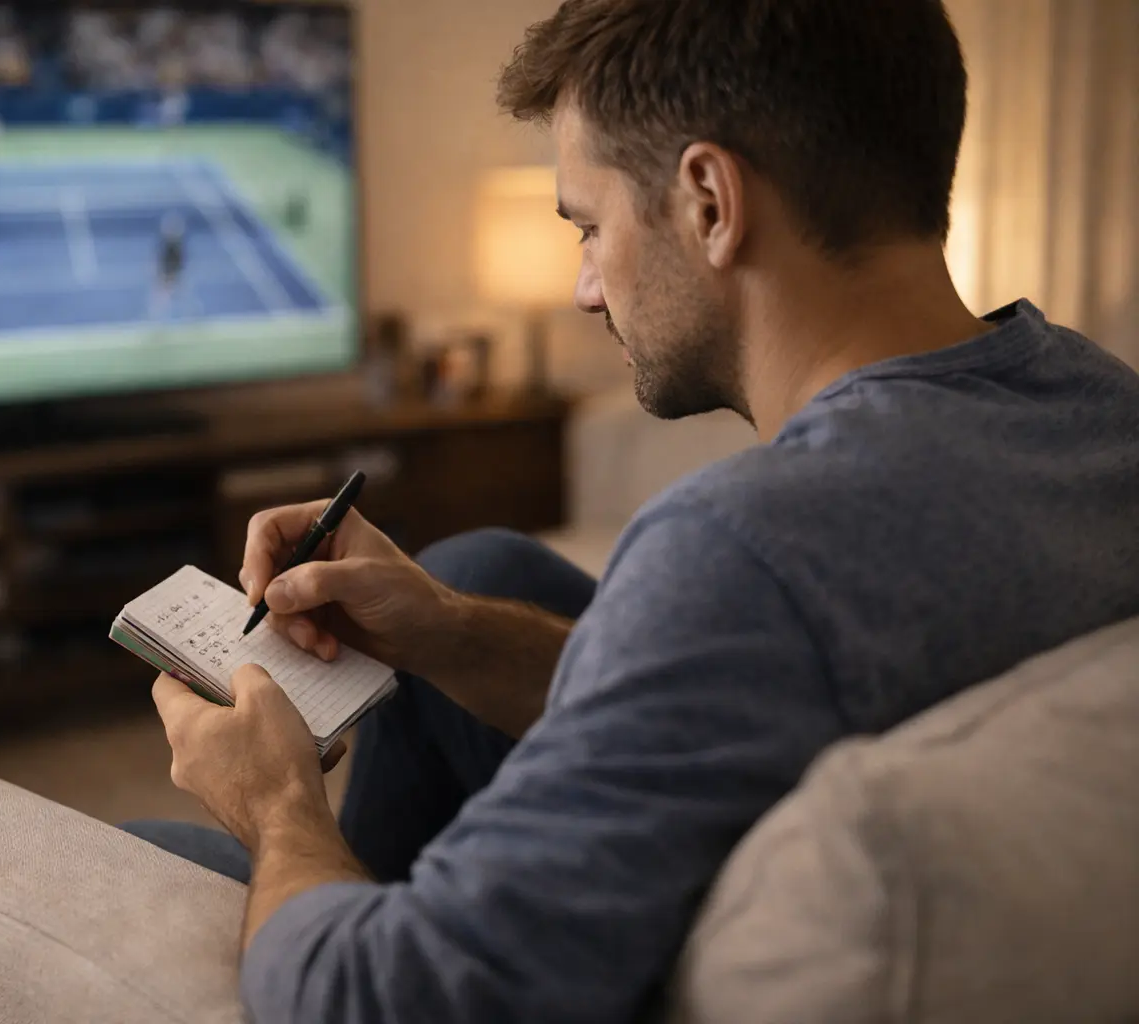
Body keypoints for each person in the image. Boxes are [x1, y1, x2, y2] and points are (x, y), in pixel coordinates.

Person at [127, 1, 1139, 1021]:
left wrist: (279, 801)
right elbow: (751, 686)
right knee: (482, 574)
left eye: (589, 226)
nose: (583, 288)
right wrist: (451, 634)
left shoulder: (745, 546)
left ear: (709, 199)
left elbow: (379, 998)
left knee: (134, 853)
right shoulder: (1101, 409)